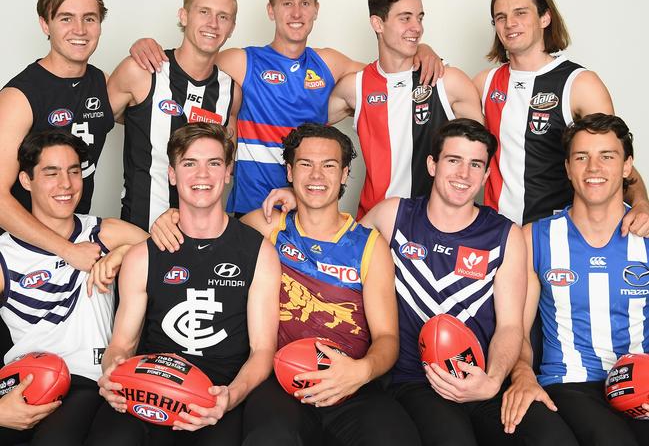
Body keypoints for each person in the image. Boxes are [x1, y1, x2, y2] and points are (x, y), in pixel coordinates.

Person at [259, 120, 577, 445]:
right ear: (432, 164)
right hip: (416, 380)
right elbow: (335, 240)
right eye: (454, 160)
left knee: (553, 438)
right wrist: (304, 195)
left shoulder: (504, 234)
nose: (463, 174)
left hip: (481, 378)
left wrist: (494, 381)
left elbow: (511, 327)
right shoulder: (393, 215)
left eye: (475, 165)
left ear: (485, 175)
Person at [129, 0, 443, 217]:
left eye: (305, 3)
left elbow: (390, 74)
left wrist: (421, 49)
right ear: (271, 10)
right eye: (287, 3)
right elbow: (188, 64)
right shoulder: (240, 61)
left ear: (316, 9)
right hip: (249, 212)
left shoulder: (330, 63)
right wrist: (149, 46)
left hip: (307, 212)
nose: (296, 13)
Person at [85, 122, 281, 446]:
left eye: (213, 163)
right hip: (147, 385)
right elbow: (122, 344)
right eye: (189, 163)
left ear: (228, 172)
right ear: (173, 174)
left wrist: (229, 398)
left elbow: (262, 350)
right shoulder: (141, 257)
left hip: (219, 392)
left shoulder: (259, 252)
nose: (202, 175)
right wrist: (113, 372)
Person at [239, 123, 420, 445]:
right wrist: (143, 236)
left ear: (345, 174)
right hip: (279, 380)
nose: (317, 175)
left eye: (329, 166)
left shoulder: (369, 245)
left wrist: (360, 372)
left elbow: (388, 337)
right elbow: (204, 237)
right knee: (270, 438)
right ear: (290, 172)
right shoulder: (265, 226)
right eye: (306, 164)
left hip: (351, 383)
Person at [501, 113, 649, 446]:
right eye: (582, 157)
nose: (594, 168)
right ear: (568, 168)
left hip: (642, 381)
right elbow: (517, 329)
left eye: (607, 156)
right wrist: (523, 372)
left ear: (627, 167)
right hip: (570, 383)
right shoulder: (534, 238)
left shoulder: (646, 234)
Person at [0, 131, 148, 446]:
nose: (66, 184)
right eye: (51, 173)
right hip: (28, 380)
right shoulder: (5, 254)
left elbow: (171, 248)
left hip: (94, 377)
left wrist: (122, 254)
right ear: (26, 181)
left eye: (74, 171)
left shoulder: (106, 232)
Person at [474, 0, 649, 233]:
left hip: (561, 234)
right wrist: (423, 51)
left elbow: (611, 158)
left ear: (545, 18)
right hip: (498, 233)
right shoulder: (484, 83)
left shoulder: (580, 84)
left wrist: (641, 201)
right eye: (500, 17)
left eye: (520, 13)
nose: (510, 23)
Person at [327, 0, 482, 218]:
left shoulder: (448, 81)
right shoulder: (354, 87)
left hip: (431, 228)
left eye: (419, 18)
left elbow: (484, 152)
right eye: (405, 18)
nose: (417, 27)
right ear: (378, 24)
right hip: (373, 225)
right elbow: (302, 127)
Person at [108, 0, 241, 231]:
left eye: (223, 16)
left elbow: (225, 166)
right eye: (204, 12)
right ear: (183, 16)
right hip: (139, 234)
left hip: (201, 239)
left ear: (232, 27)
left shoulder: (231, 92)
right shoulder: (141, 71)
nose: (213, 23)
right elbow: (92, 124)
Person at [0, 0, 114, 272]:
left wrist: (145, 47)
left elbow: (147, 107)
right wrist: (66, 250)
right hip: (17, 252)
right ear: (44, 24)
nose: (80, 30)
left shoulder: (100, 82)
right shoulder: (18, 96)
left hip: (72, 245)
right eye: (66, 18)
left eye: (89, 18)